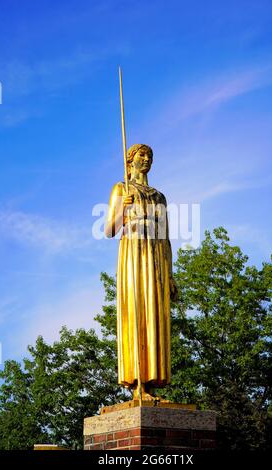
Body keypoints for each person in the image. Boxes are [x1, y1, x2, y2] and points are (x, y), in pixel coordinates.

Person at [105, 144, 177, 400]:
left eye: (149, 156)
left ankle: (153, 383)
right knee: (137, 312)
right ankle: (137, 385)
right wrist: (123, 210)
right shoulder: (122, 188)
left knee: (155, 314)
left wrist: (170, 273)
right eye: (141, 156)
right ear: (130, 161)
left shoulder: (159, 197)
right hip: (134, 253)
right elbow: (109, 230)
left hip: (156, 254)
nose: (145, 160)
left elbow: (166, 236)